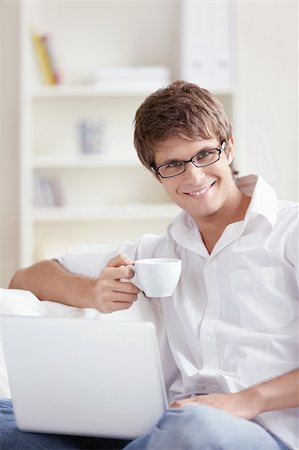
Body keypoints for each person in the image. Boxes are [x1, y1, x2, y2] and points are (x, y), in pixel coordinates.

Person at [2, 81, 298, 450]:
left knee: (194, 428)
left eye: (205, 154)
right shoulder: (158, 251)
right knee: (6, 422)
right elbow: (26, 277)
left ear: (229, 146)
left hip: (258, 434)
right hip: (167, 426)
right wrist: (94, 292)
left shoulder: (290, 231)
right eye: (173, 164)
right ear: (155, 173)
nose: (194, 177)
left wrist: (243, 402)